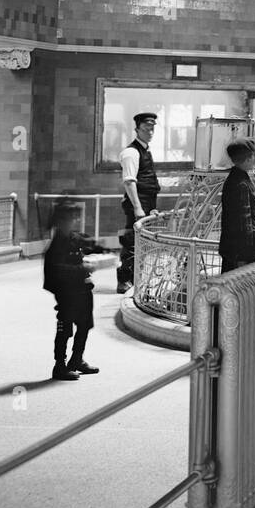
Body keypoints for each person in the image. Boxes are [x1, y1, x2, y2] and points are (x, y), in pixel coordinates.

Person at [43, 199, 114, 381]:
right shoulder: (56, 245)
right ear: (61, 222)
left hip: (81, 289)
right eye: (70, 218)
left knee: (84, 325)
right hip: (66, 293)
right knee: (65, 329)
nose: (74, 221)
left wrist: (101, 249)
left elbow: (87, 243)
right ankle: (59, 365)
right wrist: (84, 269)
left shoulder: (73, 238)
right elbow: (57, 271)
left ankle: (76, 359)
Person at [118, 112, 160, 293]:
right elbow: (129, 181)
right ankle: (124, 280)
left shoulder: (145, 151)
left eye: (152, 128)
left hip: (146, 203)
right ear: (137, 130)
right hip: (138, 204)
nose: (150, 132)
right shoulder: (131, 152)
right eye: (146, 128)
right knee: (132, 242)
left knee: (142, 243)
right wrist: (138, 208)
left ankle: (136, 279)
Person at [218, 138, 255, 274]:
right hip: (242, 255)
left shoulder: (237, 179)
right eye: (254, 155)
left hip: (237, 253)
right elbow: (243, 224)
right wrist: (243, 258)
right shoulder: (241, 184)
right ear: (248, 159)